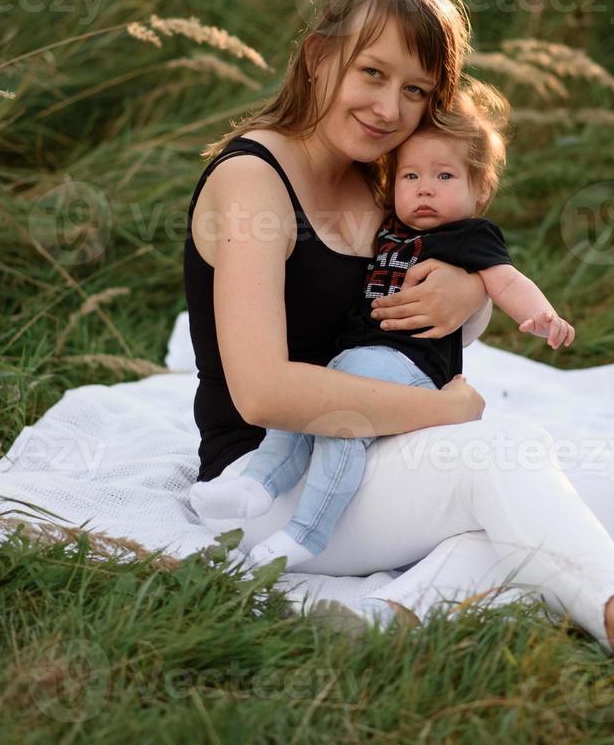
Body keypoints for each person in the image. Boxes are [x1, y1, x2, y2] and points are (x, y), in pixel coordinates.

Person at [182, 0, 614, 686]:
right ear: (318, 57)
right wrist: (437, 412)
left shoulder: (378, 188)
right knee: (502, 458)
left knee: (607, 482)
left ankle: (395, 616)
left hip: (369, 460)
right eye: (370, 73)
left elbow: (436, 294)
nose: (388, 108)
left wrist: (470, 294)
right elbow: (263, 393)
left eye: (414, 90)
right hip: (272, 485)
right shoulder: (255, 180)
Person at [190, 78, 579, 571]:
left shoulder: (471, 235)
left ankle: (328, 551)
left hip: (398, 371)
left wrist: (534, 313)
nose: (424, 190)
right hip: (343, 378)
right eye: (411, 177)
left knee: (566, 480)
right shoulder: (381, 220)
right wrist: (444, 411)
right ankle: (256, 486)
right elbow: (273, 396)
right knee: (309, 423)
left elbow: (506, 280)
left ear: (479, 188)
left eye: (443, 177)